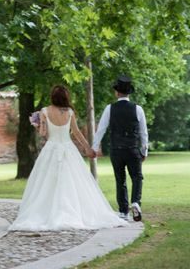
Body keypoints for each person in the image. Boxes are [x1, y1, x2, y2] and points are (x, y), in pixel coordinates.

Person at [9, 85, 128, 231]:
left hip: (51, 149)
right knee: (73, 181)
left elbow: (43, 134)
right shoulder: (70, 112)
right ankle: (74, 213)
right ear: (66, 97)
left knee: (45, 183)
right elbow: (76, 133)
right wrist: (88, 148)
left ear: (52, 96)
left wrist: (36, 124)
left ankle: (46, 213)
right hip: (68, 149)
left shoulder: (44, 111)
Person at [92, 75, 148, 222]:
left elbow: (101, 130)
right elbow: (143, 132)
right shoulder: (138, 109)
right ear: (129, 93)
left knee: (120, 179)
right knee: (137, 177)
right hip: (132, 149)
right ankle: (135, 202)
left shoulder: (109, 109)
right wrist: (144, 151)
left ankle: (123, 211)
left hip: (116, 149)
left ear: (117, 93)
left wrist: (94, 148)